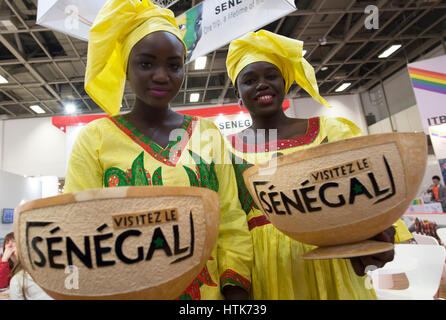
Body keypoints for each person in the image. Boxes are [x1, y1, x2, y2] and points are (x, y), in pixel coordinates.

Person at [64, 0, 252, 300]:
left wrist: (236, 290)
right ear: (126, 66)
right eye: (146, 63)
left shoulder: (208, 134)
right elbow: (77, 228)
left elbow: (230, 218)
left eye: (174, 65)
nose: (162, 76)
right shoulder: (95, 139)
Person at [224, 29, 413, 300]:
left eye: (271, 76)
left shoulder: (332, 132)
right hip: (266, 270)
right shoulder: (225, 150)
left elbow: (374, 192)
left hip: (335, 264)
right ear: (238, 95)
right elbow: (229, 222)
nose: (262, 84)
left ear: (285, 83)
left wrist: (378, 234)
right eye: (250, 79)